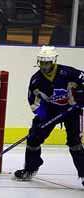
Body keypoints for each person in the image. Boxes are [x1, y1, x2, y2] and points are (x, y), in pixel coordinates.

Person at [14, 46, 84, 187]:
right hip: (51, 111)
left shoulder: (69, 72)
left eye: (47, 62)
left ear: (53, 61)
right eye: (42, 62)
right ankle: (30, 169)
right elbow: (33, 102)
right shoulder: (36, 80)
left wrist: (79, 100)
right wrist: (42, 117)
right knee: (33, 138)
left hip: (72, 111)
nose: (44, 66)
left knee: (74, 142)